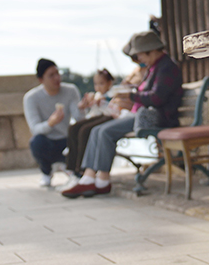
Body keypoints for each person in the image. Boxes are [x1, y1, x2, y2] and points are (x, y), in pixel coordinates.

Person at [60, 30, 182, 199]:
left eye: (140, 55)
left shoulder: (166, 68)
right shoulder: (156, 67)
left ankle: (100, 180)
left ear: (151, 50)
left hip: (156, 118)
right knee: (97, 131)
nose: (140, 60)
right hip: (144, 114)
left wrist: (130, 95)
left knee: (105, 132)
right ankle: (90, 177)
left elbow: (156, 98)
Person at [24, 58, 82, 188]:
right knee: (36, 142)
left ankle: (71, 169)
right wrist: (50, 123)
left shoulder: (70, 90)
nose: (57, 78)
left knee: (81, 137)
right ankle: (46, 172)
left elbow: (79, 119)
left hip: (67, 139)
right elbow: (35, 129)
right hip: (48, 140)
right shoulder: (31, 98)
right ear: (41, 80)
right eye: (51, 75)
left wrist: (82, 108)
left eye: (58, 73)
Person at [64, 68, 119, 179]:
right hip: (98, 117)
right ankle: (72, 168)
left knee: (85, 131)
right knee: (73, 128)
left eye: (101, 83)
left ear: (109, 83)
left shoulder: (113, 93)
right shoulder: (96, 95)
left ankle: (83, 169)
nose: (98, 87)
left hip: (109, 116)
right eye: (96, 84)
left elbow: (110, 101)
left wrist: (101, 100)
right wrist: (83, 106)